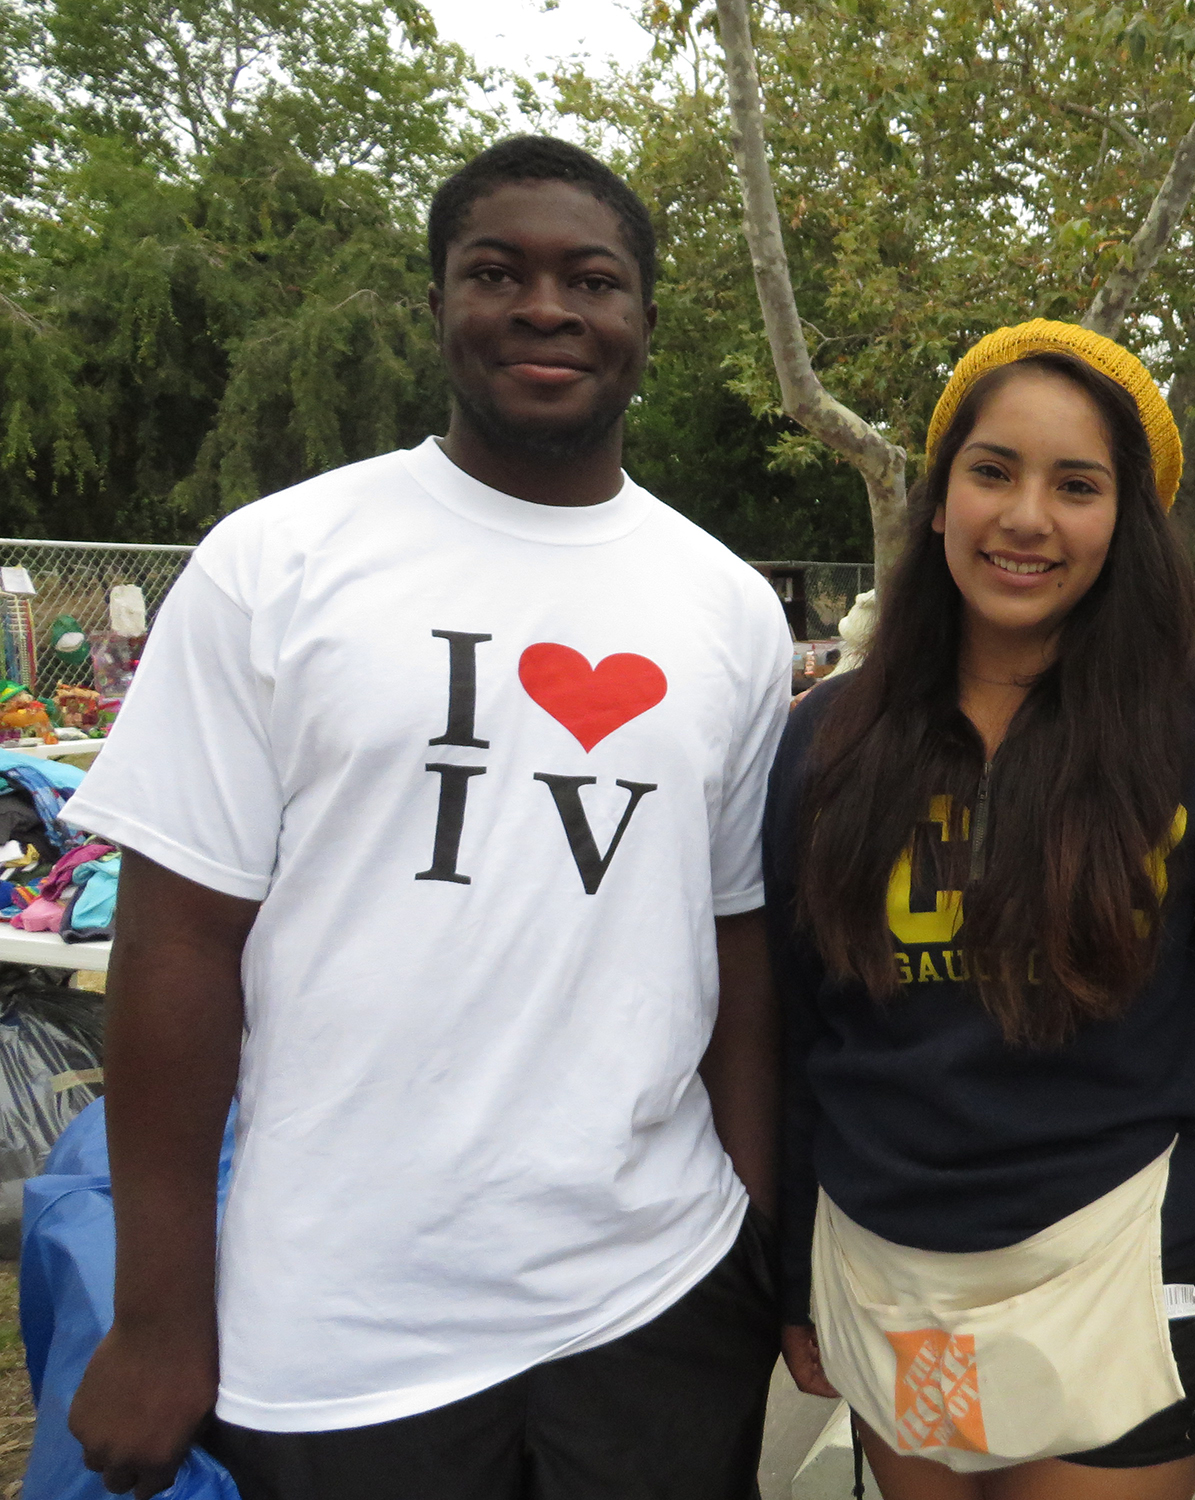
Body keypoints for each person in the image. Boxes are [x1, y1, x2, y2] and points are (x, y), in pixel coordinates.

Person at [60, 135, 793, 1500]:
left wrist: (768, 1235)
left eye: (594, 279)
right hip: (342, 1324)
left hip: (660, 1296)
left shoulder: (728, 608)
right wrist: (160, 1313)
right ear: (438, 303)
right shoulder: (278, 563)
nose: (546, 308)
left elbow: (734, 944)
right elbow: (174, 946)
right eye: (495, 272)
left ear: (645, 320)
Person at [764, 321, 1195, 1500]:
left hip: (1113, 1258)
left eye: (1077, 484)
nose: (1026, 516)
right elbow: (796, 1032)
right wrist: (790, 1273)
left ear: (1127, 524)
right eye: (991, 470)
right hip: (887, 1266)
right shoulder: (823, 743)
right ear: (938, 499)